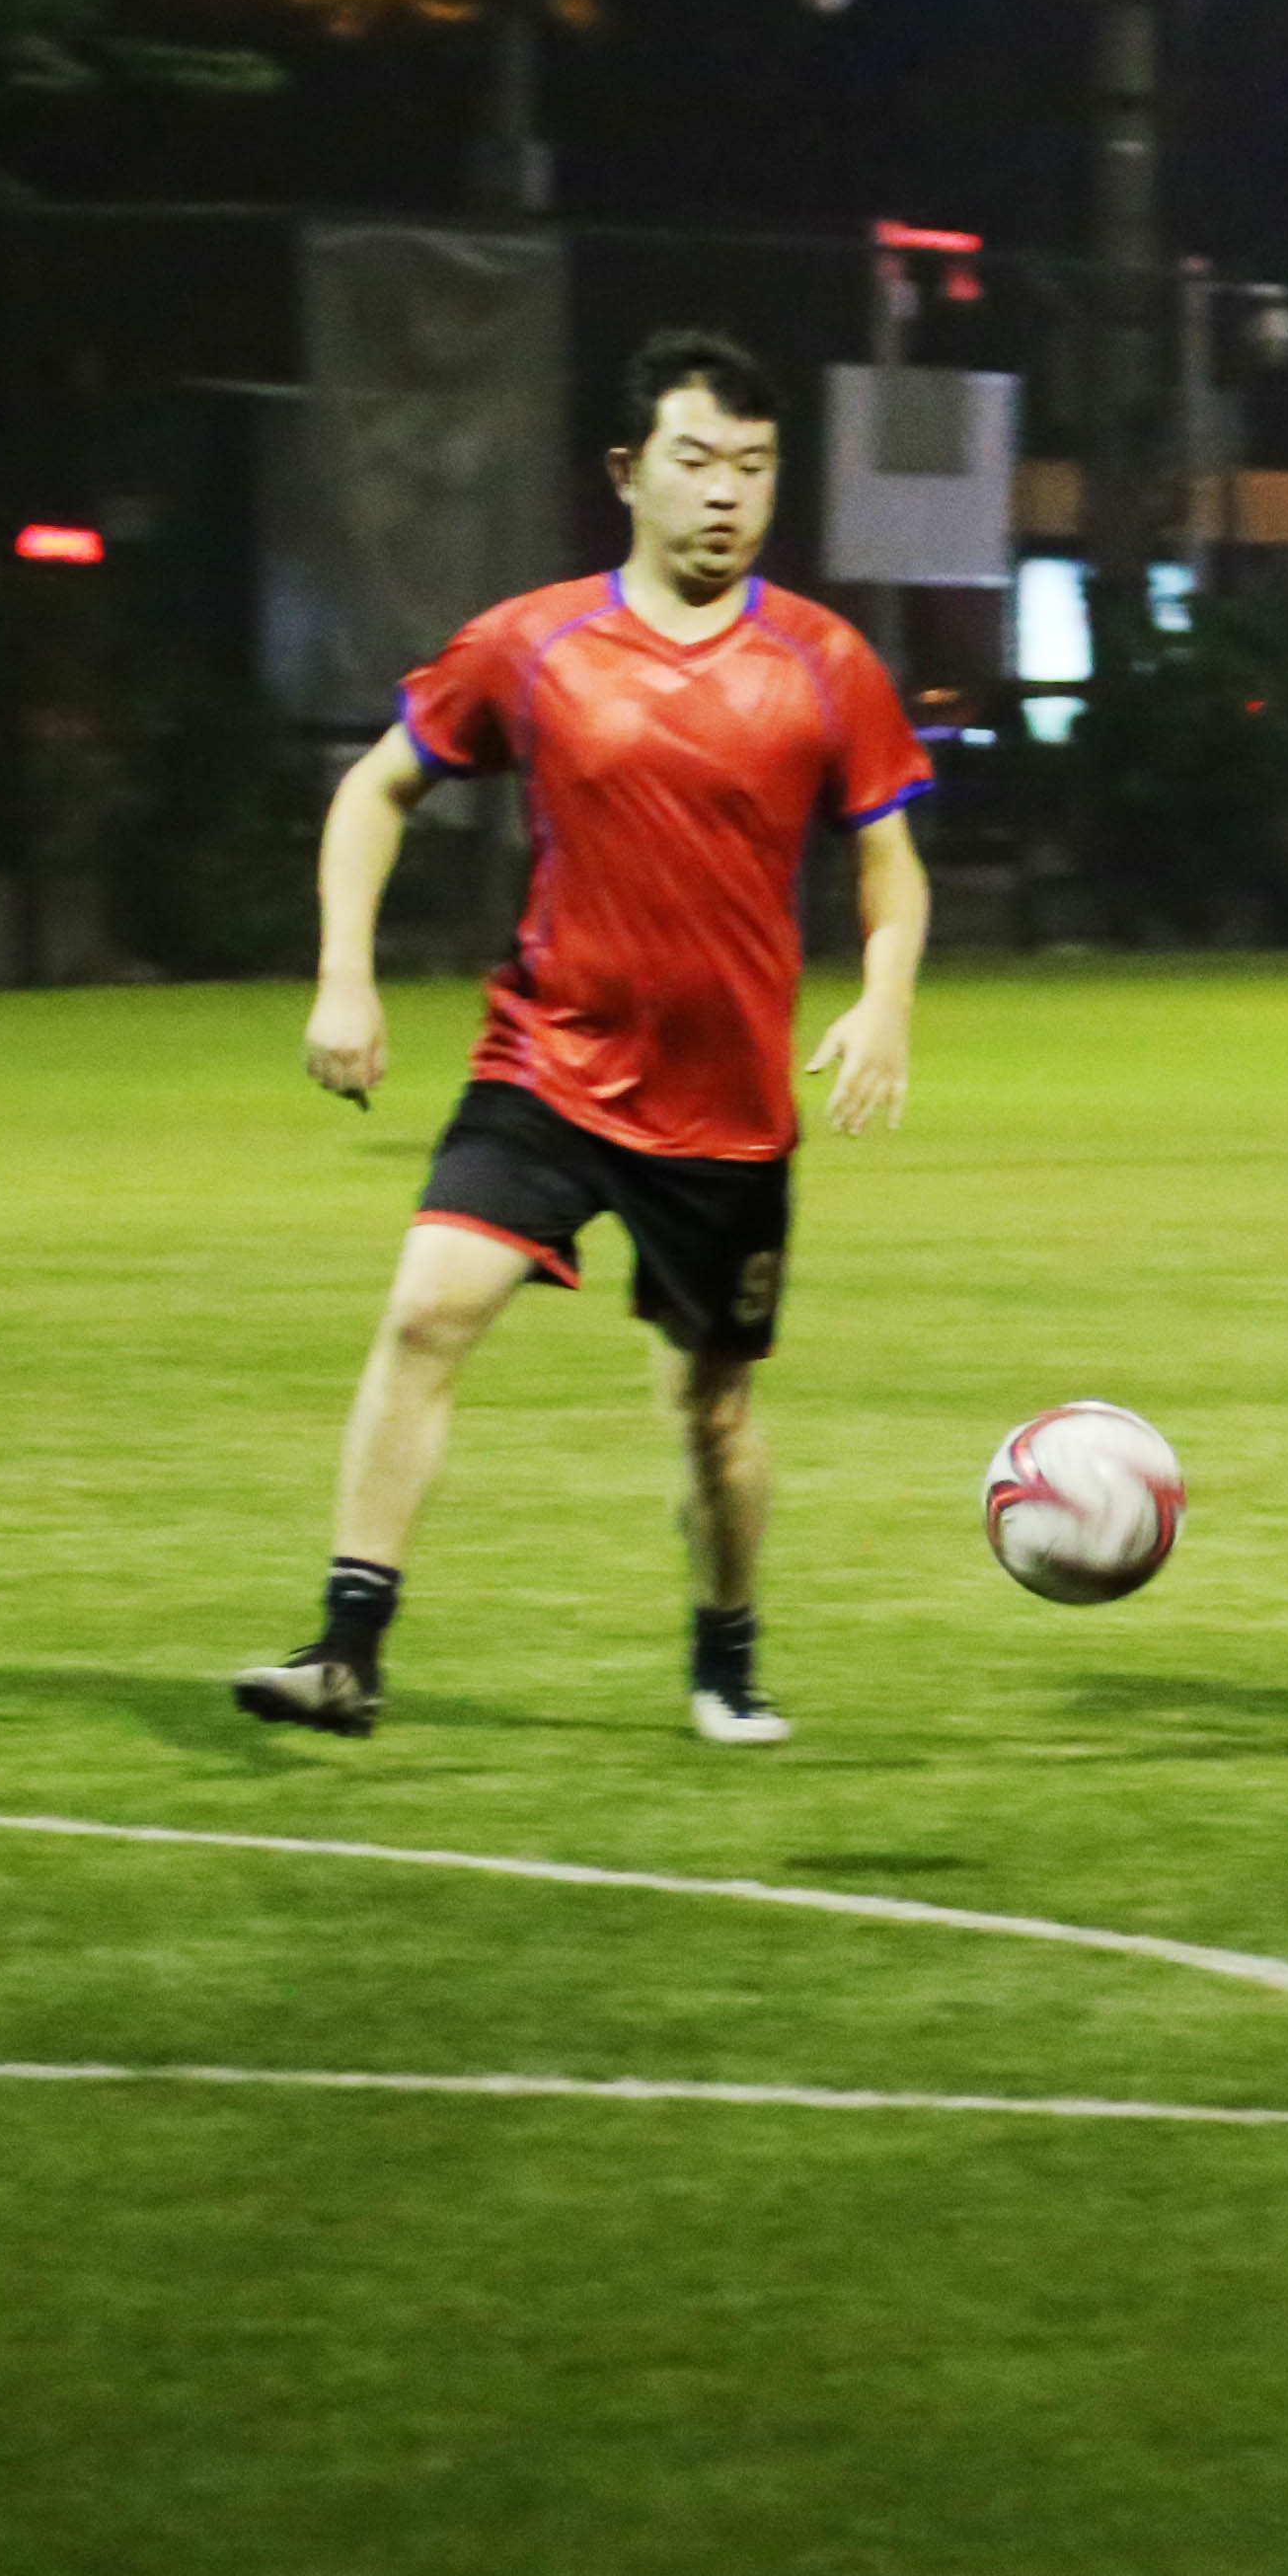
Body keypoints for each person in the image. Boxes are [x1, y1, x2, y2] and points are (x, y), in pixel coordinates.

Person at [231, 329, 932, 1745]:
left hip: (724, 1110)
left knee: (711, 1409)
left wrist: (885, 997)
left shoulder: (826, 662)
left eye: (755, 467)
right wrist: (344, 978)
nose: (726, 493)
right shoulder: (532, 642)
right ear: (627, 473)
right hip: (545, 1064)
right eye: (697, 461)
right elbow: (375, 790)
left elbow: (890, 865)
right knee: (426, 1311)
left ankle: (727, 1661)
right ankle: (346, 1651)